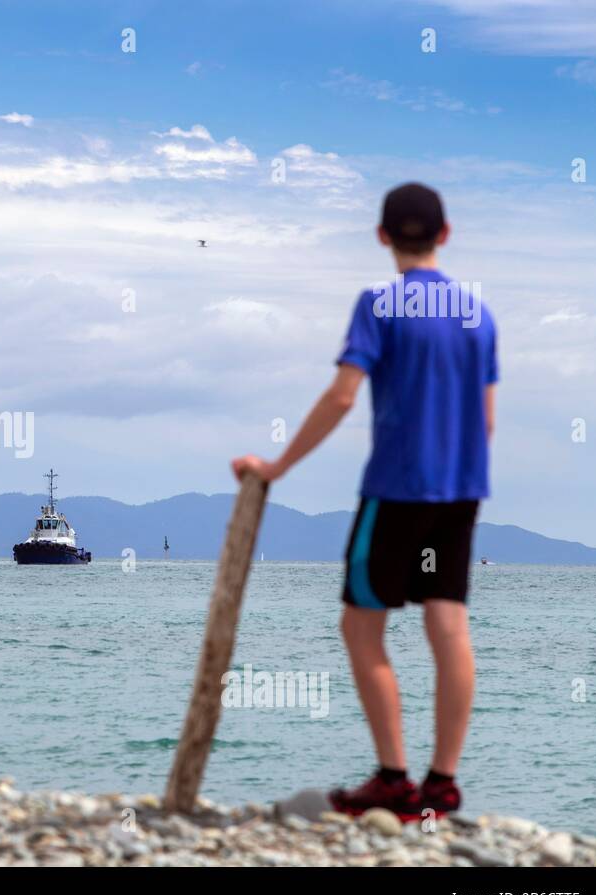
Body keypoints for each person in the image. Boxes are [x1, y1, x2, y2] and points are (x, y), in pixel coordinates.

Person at [232, 182, 498, 820]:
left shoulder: (379, 304)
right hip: (461, 491)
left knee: (361, 625)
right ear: (446, 232)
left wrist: (277, 467)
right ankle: (443, 786)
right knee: (448, 624)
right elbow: (486, 422)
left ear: (382, 236)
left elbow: (344, 395)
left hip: (397, 488)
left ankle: (394, 780)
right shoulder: (478, 316)